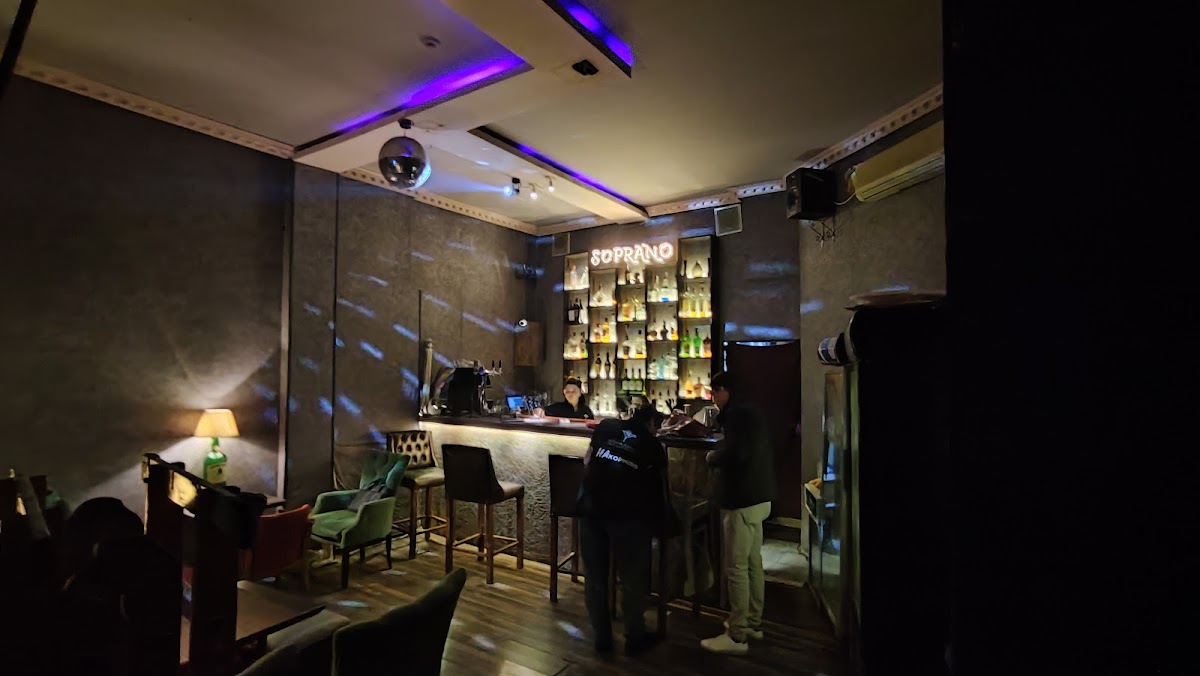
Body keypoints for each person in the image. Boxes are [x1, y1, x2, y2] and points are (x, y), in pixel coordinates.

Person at [576, 405, 668, 656]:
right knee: (632, 578)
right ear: (651, 423)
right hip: (629, 515)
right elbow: (657, 487)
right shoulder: (653, 445)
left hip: (592, 508)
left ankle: (602, 639)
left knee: (595, 578)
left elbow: (587, 460)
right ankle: (634, 638)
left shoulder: (605, 427)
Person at [701, 371, 775, 655]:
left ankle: (736, 635)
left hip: (741, 499)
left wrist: (713, 457)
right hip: (760, 496)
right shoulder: (751, 410)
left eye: (715, 392)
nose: (713, 398)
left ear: (725, 390)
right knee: (753, 562)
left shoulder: (736, 414)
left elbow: (737, 453)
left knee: (736, 567)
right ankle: (753, 623)